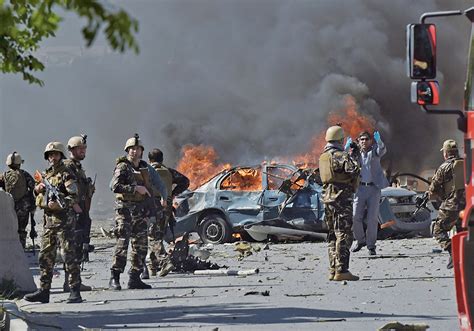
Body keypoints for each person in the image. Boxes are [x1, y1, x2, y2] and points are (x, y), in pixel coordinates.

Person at [23, 142, 83, 303]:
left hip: (64, 222)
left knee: (69, 256)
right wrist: (38, 190)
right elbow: (38, 195)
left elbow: (74, 197)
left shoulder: (66, 174)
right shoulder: (46, 175)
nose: (52, 157)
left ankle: (75, 290)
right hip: (49, 222)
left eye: (55, 154)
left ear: (61, 156)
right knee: (45, 257)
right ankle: (44, 291)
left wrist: (60, 202)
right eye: (50, 155)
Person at [109, 134, 159, 290]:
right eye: (131, 149)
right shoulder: (123, 167)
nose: (134, 151)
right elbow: (115, 186)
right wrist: (135, 188)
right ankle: (114, 277)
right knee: (122, 244)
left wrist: (151, 211)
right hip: (124, 211)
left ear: (142, 151)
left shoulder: (144, 168)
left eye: (137, 149)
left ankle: (134, 277)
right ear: (127, 150)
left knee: (141, 246)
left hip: (140, 211)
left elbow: (149, 190)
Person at [319, 125, 361, 281]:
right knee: (343, 233)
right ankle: (342, 270)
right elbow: (354, 171)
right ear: (340, 140)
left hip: (327, 198)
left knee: (331, 235)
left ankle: (333, 269)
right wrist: (354, 156)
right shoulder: (340, 155)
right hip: (341, 198)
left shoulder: (323, 156)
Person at [146, 148, 190, 277]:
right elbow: (185, 182)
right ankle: (153, 267)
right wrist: (173, 194)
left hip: (151, 207)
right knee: (157, 236)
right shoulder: (169, 172)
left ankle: (165, 261)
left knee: (152, 237)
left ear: (149, 159)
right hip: (166, 208)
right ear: (162, 159)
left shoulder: (146, 171)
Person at [348, 131, 388, 256]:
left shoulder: (374, 151)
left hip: (373, 189)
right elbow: (345, 161)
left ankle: (371, 246)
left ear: (370, 141)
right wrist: (346, 147)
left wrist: (379, 141)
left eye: (366, 139)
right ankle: (360, 240)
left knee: (372, 218)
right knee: (355, 216)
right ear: (358, 141)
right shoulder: (355, 153)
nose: (364, 141)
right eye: (361, 139)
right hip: (360, 189)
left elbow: (382, 150)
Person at [63, 135, 95, 292]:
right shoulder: (68, 167)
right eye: (79, 148)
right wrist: (75, 206)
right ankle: (71, 283)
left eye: (84, 148)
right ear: (71, 150)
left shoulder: (77, 167)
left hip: (81, 211)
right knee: (72, 246)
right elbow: (65, 191)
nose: (83, 151)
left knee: (77, 246)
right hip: (73, 213)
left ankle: (73, 281)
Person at [428, 139, 465, 269]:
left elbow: (433, 189)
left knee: (438, 230)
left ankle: (453, 253)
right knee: (462, 232)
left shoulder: (444, 167)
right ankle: (463, 256)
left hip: (451, 206)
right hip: (466, 207)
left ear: (446, 153)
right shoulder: (466, 164)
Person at [0, 152, 35, 248]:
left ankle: (10, 250)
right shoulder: (24, 174)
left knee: (9, 229)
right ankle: (21, 250)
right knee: (21, 230)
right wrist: (32, 204)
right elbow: (34, 188)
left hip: (9, 207)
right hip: (23, 207)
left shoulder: (4, 175)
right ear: (20, 163)